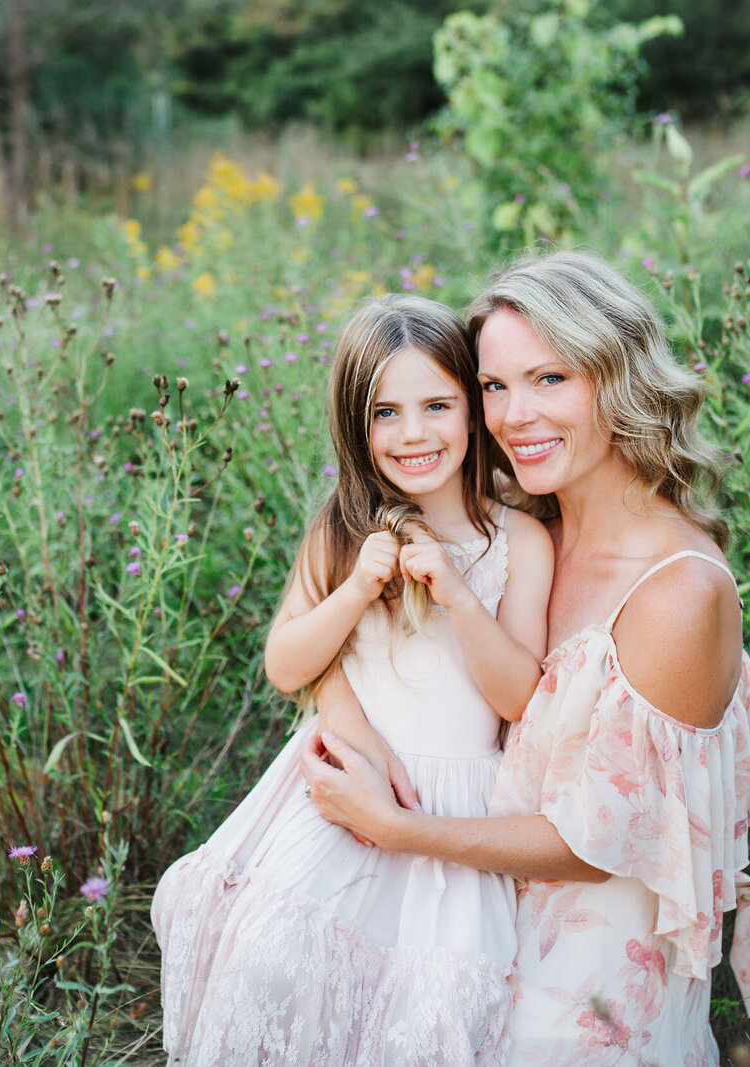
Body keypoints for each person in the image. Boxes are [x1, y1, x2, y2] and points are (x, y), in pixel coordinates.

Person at [301, 251, 750, 1066]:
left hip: (590, 994)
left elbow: (596, 843)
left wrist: (398, 827)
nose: (514, 414)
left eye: (550, 379)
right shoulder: (529, 541)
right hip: (484, 930)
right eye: (493, 387)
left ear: (618, 380)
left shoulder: (678, 593)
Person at [151, 293, 554, 1066]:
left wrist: (458, 594)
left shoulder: (520, 540)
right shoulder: (340, 528)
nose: (413, 434)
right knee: (285, 968)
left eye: (437, 404)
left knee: (425, 1012)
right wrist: (355, 590)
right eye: (385, 413)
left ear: (472, 410)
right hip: (338, 795)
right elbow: (287, 663)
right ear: (355, 425)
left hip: (454, 805)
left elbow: (518, 700)